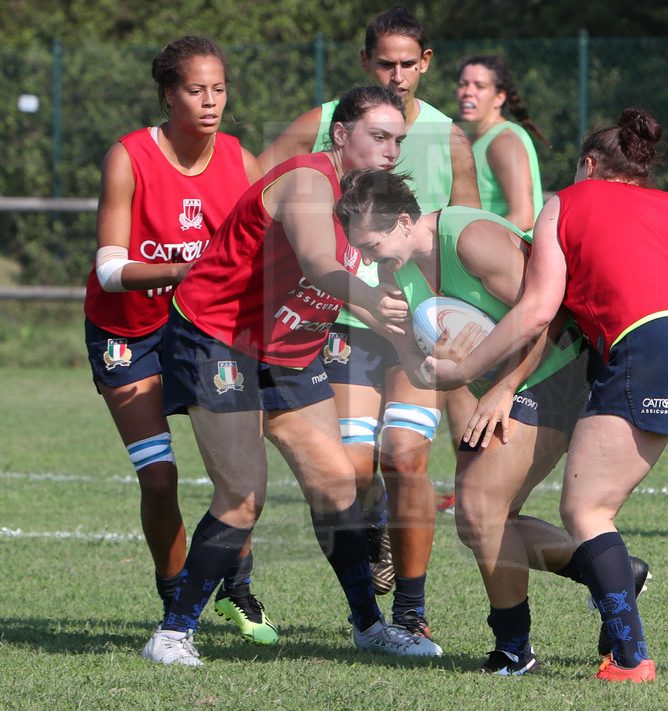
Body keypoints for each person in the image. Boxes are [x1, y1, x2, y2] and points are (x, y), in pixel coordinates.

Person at [416, 107, 668, 683]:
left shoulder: (567, 201)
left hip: (650, 344)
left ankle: (628, 658)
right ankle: (623, 647)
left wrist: (469, 372)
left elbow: (539, 310)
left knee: (587, 509)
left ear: (588, 164)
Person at [141, 85, 443, 666]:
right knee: (244, 494)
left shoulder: (368, 201)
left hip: (290, 346)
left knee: (336, 483)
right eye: (377, 137)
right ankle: (173, 633)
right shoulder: (308, 181)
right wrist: (376, 307)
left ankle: (369, 626)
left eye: (397, 141)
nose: (389, 151)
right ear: (339, 136)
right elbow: (319, 265)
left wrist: (419, 347)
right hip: (218, 338)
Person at [335, 168, 649, 675]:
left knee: (481, 510)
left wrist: (503, 388)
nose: (369, 261)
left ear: (406, 221)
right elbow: (426, 368)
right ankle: (611, 573)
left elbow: (551, 312)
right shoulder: (398, 269)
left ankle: (513, 650)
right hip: (503, 391)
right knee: (478, 522)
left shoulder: (470, 239)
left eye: (372, 247)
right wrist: (394, 333)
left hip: (559, 372)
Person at [258, 4, 480, 640]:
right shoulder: (324, 124)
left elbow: (464, 231)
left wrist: (457, 325)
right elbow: (254, 185)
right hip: (345, 324)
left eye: (409, 63)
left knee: (406, 457)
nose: (398, 74)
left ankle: (411, 613)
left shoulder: (448, 138)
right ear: (365, 63)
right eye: (385, 62)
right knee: (352, 473)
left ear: (426, 64)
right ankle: (373, 546)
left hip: (414, 326)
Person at [83, 36, 275, 645]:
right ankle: (175, 602)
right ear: (169, 94)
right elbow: (111, 268)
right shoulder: (130, 156)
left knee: (237, 473)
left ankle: (235, 587)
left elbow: (268, 248)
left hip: (207, 330)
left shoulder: (240, 160)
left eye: (219, 88)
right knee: (159, 478)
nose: (211, 101)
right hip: (129, 331)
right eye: (196, 90)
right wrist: (182, 271)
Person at [456, 54, 548, 233]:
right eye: (463, 84)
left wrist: (469, 243)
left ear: (499, 97)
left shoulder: (504, 141)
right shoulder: (463, 138)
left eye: (480, 86)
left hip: (507, 257)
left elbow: (523, 217)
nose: (468, 92)